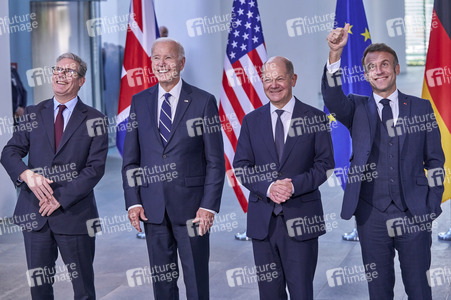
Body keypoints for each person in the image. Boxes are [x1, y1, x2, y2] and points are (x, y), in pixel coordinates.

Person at [322, 25, 445, 299]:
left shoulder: (421, 108)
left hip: (414, 212)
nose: (379, 70)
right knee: (378, 290)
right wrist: (334, 53)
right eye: (372, 67)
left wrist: (431, 203)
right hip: (371, 215)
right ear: (365, 75)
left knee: (419, 288)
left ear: (396, 69)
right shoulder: (355, 108)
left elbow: (436, 160)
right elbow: (331, 97)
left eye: (385, 64)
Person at [122, 37, 225, 300]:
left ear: (181, 62)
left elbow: (215, 161)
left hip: (192, 210)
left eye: (168, 58)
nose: (162, 63)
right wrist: (133, 202)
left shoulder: (203, 101)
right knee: (162, 284)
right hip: (153, 209)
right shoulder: (139, 102)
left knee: (196, 280)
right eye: (156, 58)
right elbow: (131, 160)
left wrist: (208, 206)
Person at [1, 53, 108, 299]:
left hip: (74, 214)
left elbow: (94, 169)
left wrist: (60, 197)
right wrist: (26, 175)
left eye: (69, 71)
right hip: (34, 213)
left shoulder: (95, 119)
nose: (61, 75)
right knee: (39, 289)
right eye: (58, 69)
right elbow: (10, 152)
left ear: (81, 80)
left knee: (83, 289)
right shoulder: (33, 113)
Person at [233, 56, 334, 300]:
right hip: (263, 223)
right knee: (269, 294)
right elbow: (242, 166)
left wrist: (292, 186)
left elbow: (325, 165)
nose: (273, 84)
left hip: (302, 219)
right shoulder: (251, 120)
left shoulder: (314, 118)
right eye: (267, 79)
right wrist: (268, 188)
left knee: (301, 292)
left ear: (293, 79)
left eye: (280, 78)